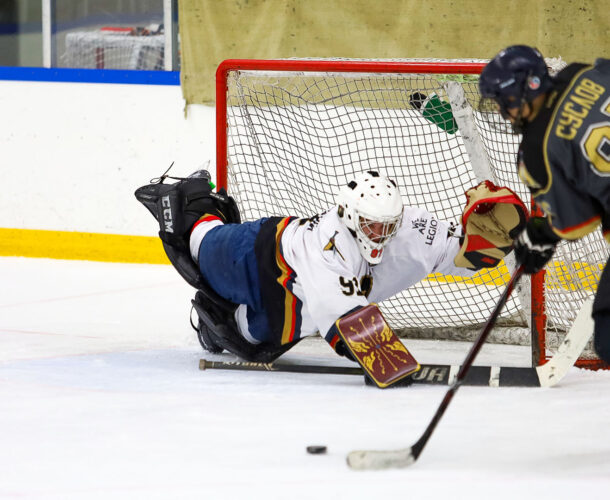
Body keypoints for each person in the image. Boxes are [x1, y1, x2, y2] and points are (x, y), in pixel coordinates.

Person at [135, 169, 526, 366]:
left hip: (293, 297)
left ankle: (212, 322)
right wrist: (386, 359)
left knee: (261, 343)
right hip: (256, 253)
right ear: (351, 217)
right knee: (198, 248)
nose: (381, 233)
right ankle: (190, 198)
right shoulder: (331, 243)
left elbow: (464, 255)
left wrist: (508, 239)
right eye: (373, 225)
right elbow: (339, 314)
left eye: (388, 225)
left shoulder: (415, 232)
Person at [479, 45, 610, 364]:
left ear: (527, 88)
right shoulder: (584, 72)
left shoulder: (537, 152)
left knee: (608, 338)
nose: (501, 111)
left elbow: (576, 223)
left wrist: (541, 234)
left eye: (503, 101)